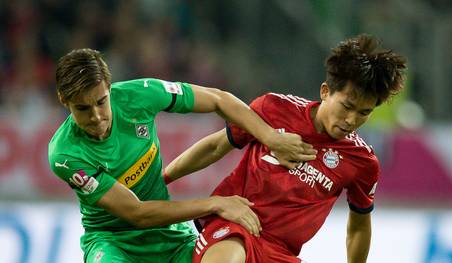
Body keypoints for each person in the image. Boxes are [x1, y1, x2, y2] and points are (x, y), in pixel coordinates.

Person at [47, 48, 316, 263]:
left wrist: (270, 137)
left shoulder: (139, 95)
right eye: (82, 109)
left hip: (169, 233)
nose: (96, 116)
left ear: (109, 87)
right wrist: (215, 204)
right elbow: (136, 214)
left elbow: (218, 100)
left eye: (101, 102)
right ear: (63, 100)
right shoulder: (64, 154)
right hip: (113, 241)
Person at [164, 34, 407, 263]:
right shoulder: (275, 109)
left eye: (364, 113)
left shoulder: (362, 161)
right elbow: (216, 146)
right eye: (347, 106)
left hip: (281, 253)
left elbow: (359, 226)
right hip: (233, 225)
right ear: (325, 91)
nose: (351, 120)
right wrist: (163, 178)